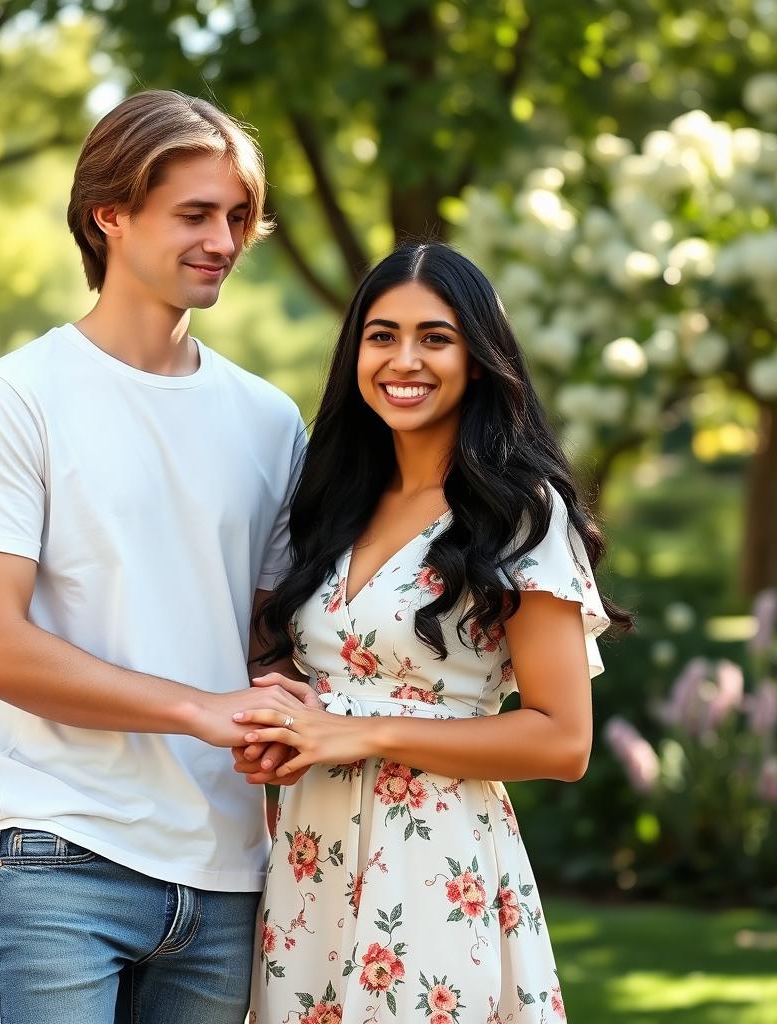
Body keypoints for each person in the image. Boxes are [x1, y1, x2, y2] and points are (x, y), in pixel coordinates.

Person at [0, 90, 316, 1024]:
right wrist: (200, 709)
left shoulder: (270, 420)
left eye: (236, 216)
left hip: (227, 875)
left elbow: (264, 642)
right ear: (110, 214)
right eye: (195, 214)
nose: (223, 239)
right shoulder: (17, 397)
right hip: (63, 856)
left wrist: (283, 700)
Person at [235, 243, 632, 1023]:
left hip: (432, 864)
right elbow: (323, 682)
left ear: (479, 359)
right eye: (382, 336)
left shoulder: (521, 513)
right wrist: (290, 724)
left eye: (435, 338)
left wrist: (361, 733)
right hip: (312, 868)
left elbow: (562, 742)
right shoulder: (330, 500)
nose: (403, 360)